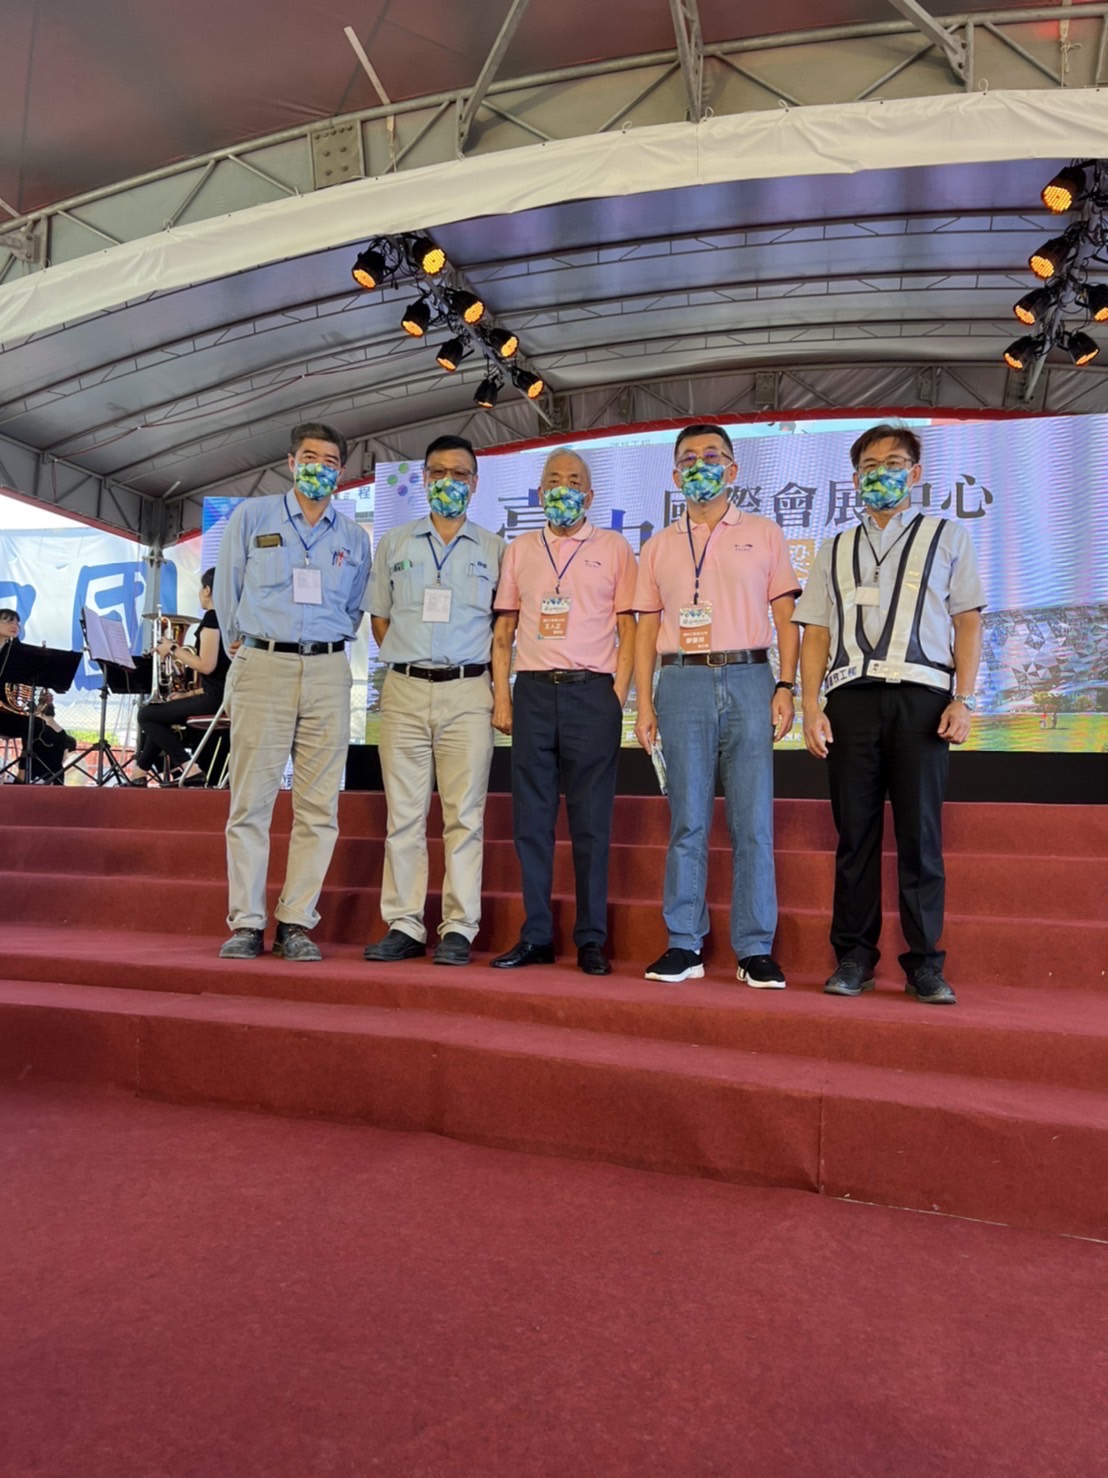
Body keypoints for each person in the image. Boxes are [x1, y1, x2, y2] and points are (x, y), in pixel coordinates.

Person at [793, 423, 985, 1006]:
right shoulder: (834, 547)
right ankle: (854, 957)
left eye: (895, 463)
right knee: (855, 836)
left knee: (920, 836)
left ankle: (925, 963)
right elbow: (816, 631)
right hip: (849, 700)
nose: (882, 474)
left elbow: (968, 621)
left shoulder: (948, 536)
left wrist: (964, 698)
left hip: (924, 700)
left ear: (915, 473)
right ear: (855, 478)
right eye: (870, 466)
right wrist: (809, 705)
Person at [633, 424, 800, 986]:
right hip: (681, 682)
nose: (699, 465)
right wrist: (644, 704)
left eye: (711, 456)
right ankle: (684, 943)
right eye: (688, 458)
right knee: (688, 821)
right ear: (674, 473)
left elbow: (787, 618)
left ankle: (755, 948)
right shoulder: (658, 545)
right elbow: (645, 629)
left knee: (753, 821)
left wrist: (786, 685)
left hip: (750, 677)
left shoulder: (764, 533)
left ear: (732, 469)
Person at [214, 421, 371, 962]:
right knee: (250, 803)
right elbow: (228, 590)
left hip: (328, 670)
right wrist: (244, 645)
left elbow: (353, 608)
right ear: (290, 461)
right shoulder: (252, 517)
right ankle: (246, 922)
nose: (318, 468)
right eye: (309, 457)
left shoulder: (354, 537)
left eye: (330, 461)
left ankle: (296, 922)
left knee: (319, 807)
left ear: (342, 472)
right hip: (264, 664)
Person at [490, 448, 637, 976]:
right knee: (531, 822)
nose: (563, 488)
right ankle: (535, 936)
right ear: (539, 492)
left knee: (591, 824)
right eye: (554, 480)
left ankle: (590, 939)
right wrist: (502, 696)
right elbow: (504, 629)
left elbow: (629, 629)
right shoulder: (520, 550)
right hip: (532, 692)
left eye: (574, 481)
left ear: (590, 494)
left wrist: (617, 695)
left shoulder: (614, 548)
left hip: (592, 693)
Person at [363, 434, 504, 967]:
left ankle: (459, 928)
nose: (449, 482)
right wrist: (412, 658)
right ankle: (404, 923)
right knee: (404, 815)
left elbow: (502, 630)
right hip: (404, 688)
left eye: (459, 473)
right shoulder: (394, 542)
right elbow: (380, 618)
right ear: (424, 479)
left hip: (468, 690)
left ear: (475, 483)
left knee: (464, 815)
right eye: (438, 472)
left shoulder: (495, 549)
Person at [129, 569, 230, 786]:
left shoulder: (213, 619)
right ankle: (139, 772)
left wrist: (172, 648)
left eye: (201, 588)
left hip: (217, 700)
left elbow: (207, 666)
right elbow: (221, 675)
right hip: (222, 696)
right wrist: (189, 694)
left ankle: (189, 768)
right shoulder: (228, 619)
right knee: (159, 715)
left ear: (207, 590)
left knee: (146, 714)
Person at [0, 608, 75, 783]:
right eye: (8, 620)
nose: (15, 625)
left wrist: (42, 699)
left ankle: (51, 781)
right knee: (32, 726)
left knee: (55, 734)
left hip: (9, 712)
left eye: (17, 622)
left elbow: (27, 685)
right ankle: (23, 777)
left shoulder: (18, 653)